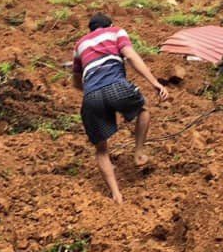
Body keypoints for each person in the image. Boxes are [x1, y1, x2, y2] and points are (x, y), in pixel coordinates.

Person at [72, 13, 169, 203]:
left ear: (90, 30)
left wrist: (95, 89)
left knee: (101, 149)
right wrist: (155, 83)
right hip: (117, 86)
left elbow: (76, 82)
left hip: (91, 96)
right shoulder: (116, 32)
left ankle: (116, 194)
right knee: (142, 109)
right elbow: (131, 57)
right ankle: (139, 152)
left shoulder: (79, 45)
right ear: (110, 24)